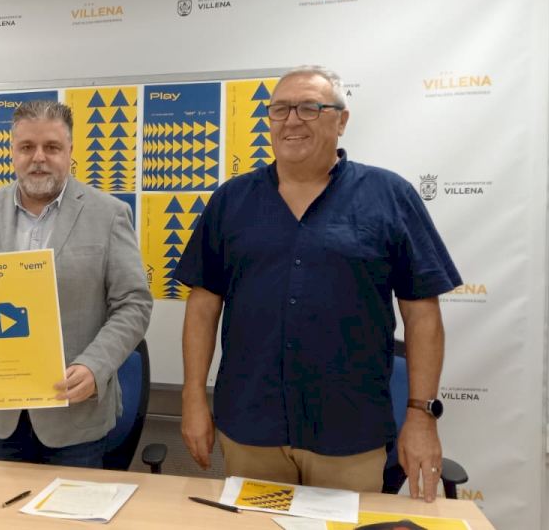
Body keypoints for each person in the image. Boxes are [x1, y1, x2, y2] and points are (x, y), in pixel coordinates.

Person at [176, 65, 461, 501]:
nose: (292, 120)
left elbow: (422, 316)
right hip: (252, 427)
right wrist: (193, 396)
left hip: (349, 434)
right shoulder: (231, 201)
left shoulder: (389, 196)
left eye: (309, 108)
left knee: (341, 528)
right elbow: (202, 306)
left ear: (341, 120)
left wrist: (421, 417)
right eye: (280, 109)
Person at [0, 100, 152, 468]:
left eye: (51, 147)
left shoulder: (109, 213)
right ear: (12, 152)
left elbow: (134, 304)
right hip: (1, 414)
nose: (39, 157)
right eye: (27, 147)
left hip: (73, 414)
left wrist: (95, 366)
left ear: (69, 151)